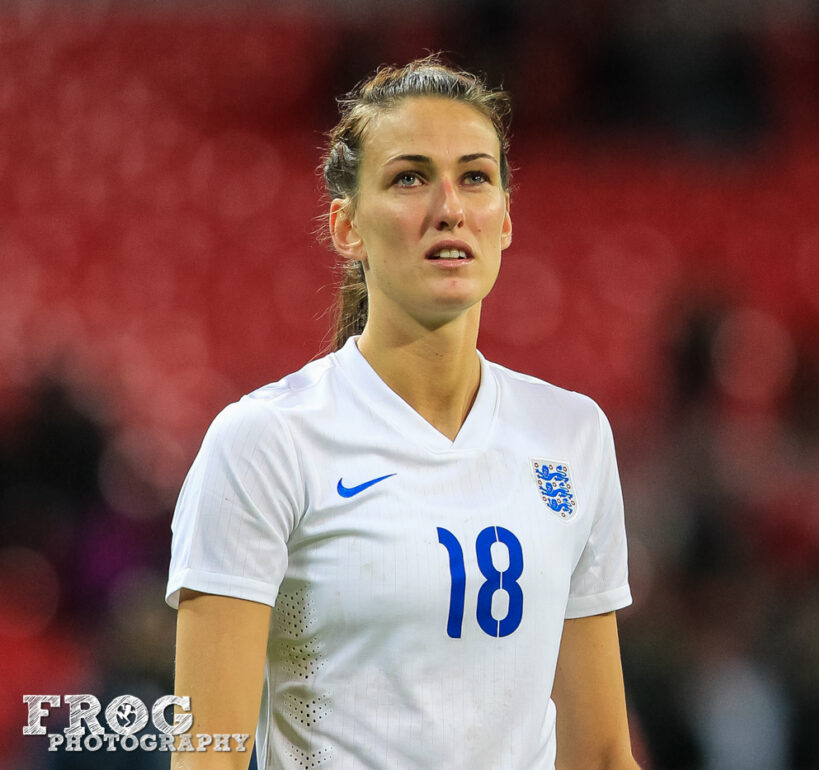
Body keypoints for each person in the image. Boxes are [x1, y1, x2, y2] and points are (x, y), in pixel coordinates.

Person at [167, 55, 639, 770]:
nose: (448, 207)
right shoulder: (265, 441)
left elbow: (601, 756)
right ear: (346, 228)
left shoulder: (572, 435)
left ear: (505, 221)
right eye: (409, 177)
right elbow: (210, 758)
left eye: (475, 177)